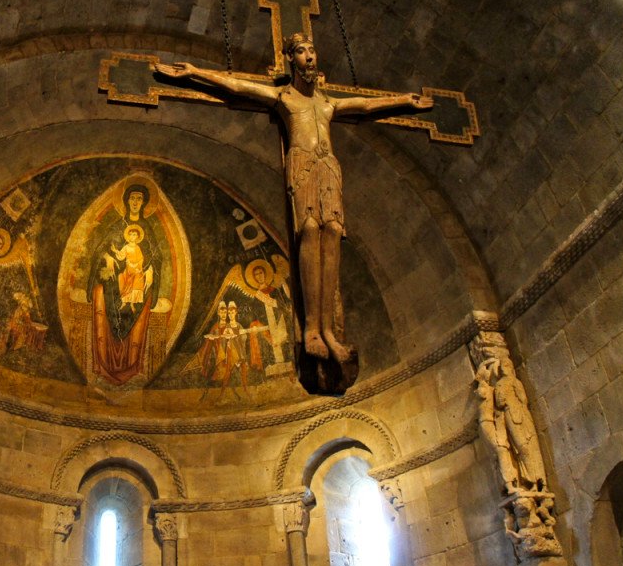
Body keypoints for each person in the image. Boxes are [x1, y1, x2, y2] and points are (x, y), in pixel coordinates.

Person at [156, 34, 433, 365]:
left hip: (328, 165)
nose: (310, 57)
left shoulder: (328, 103)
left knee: (332, 231)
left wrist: (404, 101)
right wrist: (194, 73)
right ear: (291, 58)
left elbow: (365, 104)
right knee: (311, 230)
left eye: (312, 50)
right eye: (302, 52)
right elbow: (237, 87)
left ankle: (331, 331)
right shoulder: (283, 98)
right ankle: (313, 329)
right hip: (302, 165)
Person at [87, 184, 163, 386]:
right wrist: (108, 257)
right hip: (115, 281)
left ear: (145, 203)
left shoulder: (148, 229)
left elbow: (157, 257)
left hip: (137, 280)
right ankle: (103, 364)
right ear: (127, 201)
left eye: (139, 199)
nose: (136, 202)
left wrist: (150, 270)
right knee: (101, 293)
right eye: (133, 198)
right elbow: (101, 250)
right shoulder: (116, 226)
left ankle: (133, 366)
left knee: (142, 298)